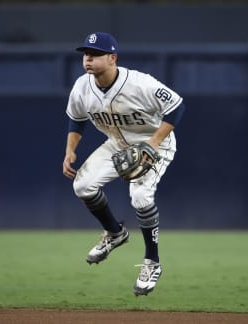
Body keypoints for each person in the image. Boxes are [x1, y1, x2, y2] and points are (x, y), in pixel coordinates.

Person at [62, 32, 185, 296]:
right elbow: (77, 118)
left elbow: (177, 106)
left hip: (155, 144)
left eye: (95, 55)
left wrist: (153, 142)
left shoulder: (140, 84)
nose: (88, 59)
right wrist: (70, 150)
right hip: (117, 143)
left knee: (140, 196)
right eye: (86, 54)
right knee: (82, 186)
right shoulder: (83, 86)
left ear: (112, 58)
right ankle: (115, 233)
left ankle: (152, 262)